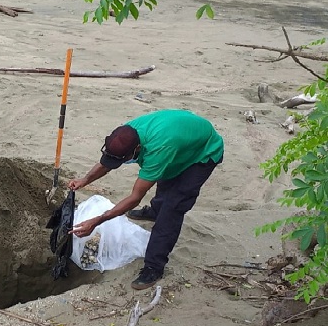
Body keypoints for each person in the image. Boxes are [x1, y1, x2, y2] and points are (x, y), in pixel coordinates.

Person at [68, 109, 224, 290]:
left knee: (173, 208)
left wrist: (98, 220)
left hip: (202, 153)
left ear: (138, 149)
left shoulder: (159, 149)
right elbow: (107, 162)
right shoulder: (128, 132)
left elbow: (135, 197)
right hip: (181, 138)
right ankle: (154, 211)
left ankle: (154, 267)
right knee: (165, 179)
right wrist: (85, 180)